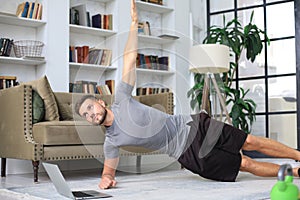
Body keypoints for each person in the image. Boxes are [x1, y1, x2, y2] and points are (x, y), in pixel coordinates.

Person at [75, 0, 300, 190]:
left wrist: (134, 24)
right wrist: (106, 179)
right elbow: (108, 172)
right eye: (86, 115)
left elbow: (129, 58)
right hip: (187, 153)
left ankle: (297, 155)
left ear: (101, 102)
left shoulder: (122, 97)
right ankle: (297, 173)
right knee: (245, 163)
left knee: (249, 140)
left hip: (193, 125)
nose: (91, 114)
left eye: (90, 108)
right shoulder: (111, 141)